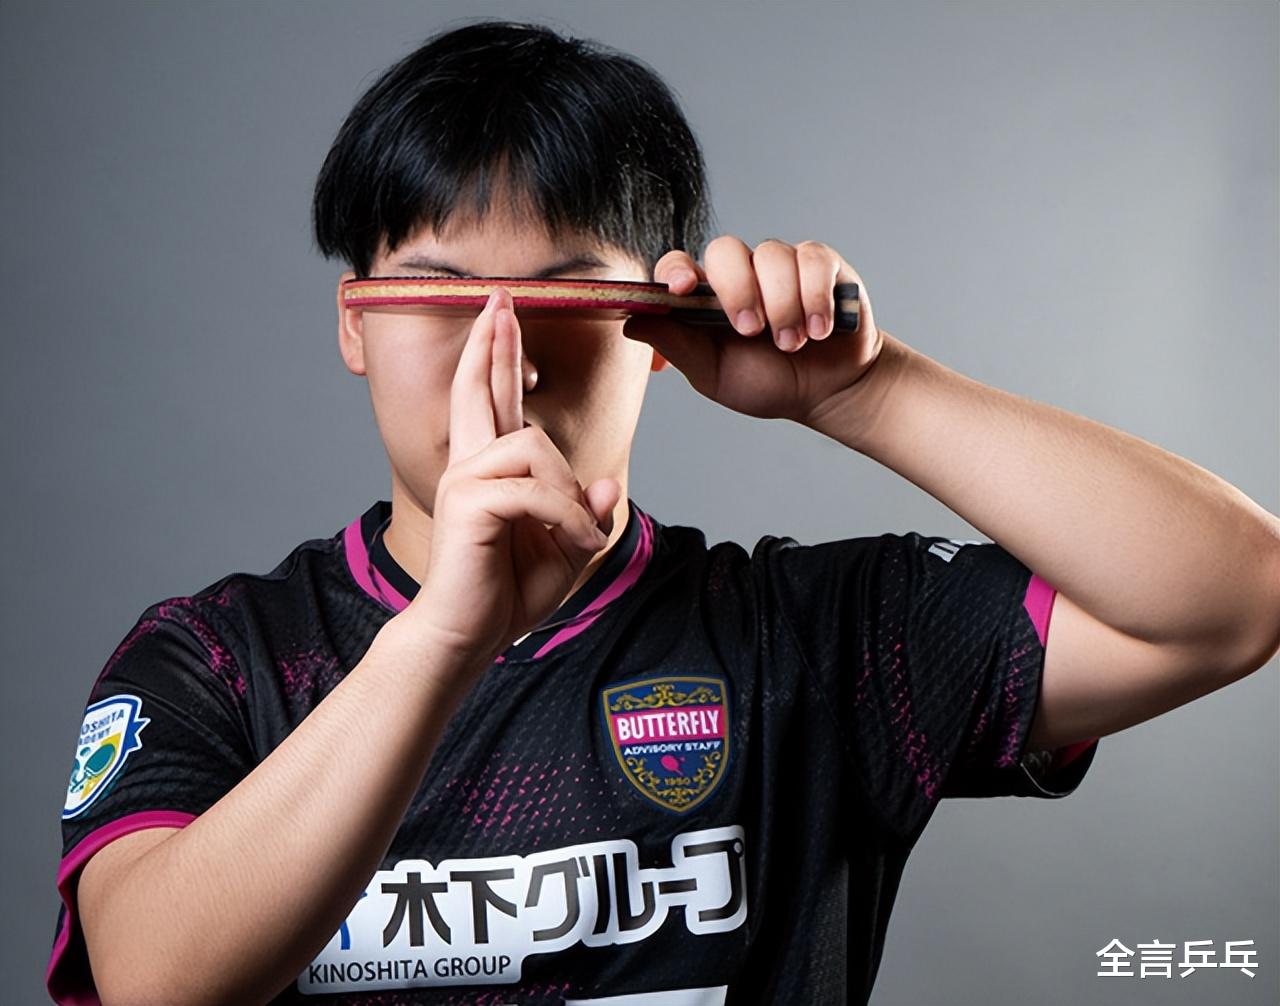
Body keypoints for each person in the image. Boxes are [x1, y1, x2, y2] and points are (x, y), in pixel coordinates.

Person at [45, 18, 1280, 1006]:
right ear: (353, 326)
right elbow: (150, 980)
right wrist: (441, 639)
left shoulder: (811, 642)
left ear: (658, 330)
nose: (503, 353)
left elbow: (1233, 597)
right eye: (437, 295)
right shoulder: (219, 659)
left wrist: (864, 390)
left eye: (566, 297)